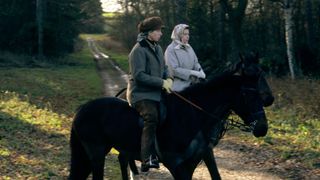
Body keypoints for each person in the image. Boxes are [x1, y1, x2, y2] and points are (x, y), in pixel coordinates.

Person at [126, 16, 172, 172]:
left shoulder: (158, 48)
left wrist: (169, 79)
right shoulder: (138, 50)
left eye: (160, 31)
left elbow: (164, 68)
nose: (160, 33)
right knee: (151, 117)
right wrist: (161, 83)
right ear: (149, 33)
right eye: (158, 31)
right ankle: (146, 158)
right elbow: (139, 75)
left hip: (157, 92)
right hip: (141, 95)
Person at [165, 24, 206, 92]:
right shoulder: (171, 49)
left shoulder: (189, 47)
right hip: (178, 88)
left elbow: (195, 62)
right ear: (178, 35)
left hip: (193, 84)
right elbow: (174, 70)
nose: (187, 36)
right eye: (184, 34)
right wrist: (192, 73)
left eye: (188, 34)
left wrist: (200, 70)